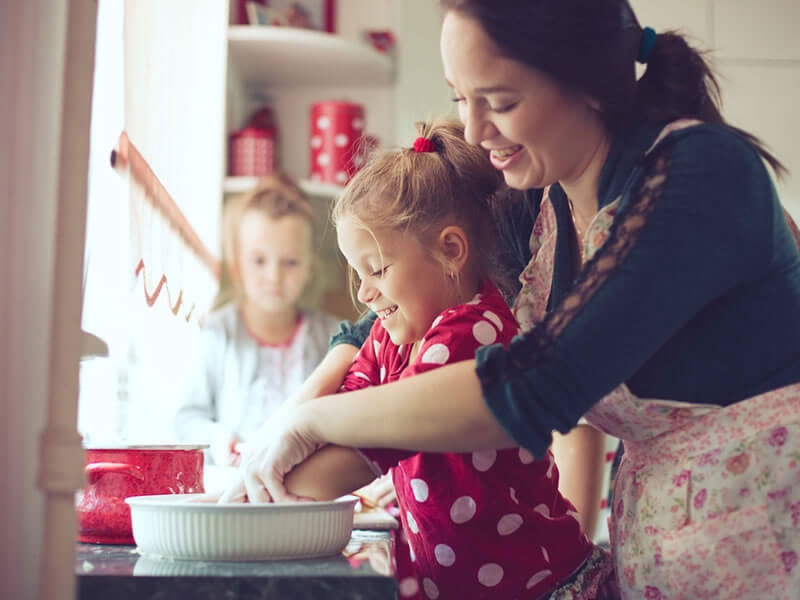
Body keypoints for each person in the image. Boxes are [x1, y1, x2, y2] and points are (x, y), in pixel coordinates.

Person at [230, 1, 800, 597]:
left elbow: (529, 388)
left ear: (589, 85)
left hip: (768, 547)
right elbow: (381, 317)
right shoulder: (538, 201)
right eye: (460, 98)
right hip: (665, 556)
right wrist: (285, 427)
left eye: (499, 102)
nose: (475, 131)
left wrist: (313, 419)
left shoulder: (701, 176)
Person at [227, 119, 617, 599]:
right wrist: (276, 449)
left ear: (451, 250)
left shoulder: (472, 333)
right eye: (358, 274)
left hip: (542, 588)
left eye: (378, 270)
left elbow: (368, 444)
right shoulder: (395, 333)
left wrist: (243, 502)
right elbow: (351, 394)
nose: (367, 294)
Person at [173, 172, 340, 467]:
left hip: (309, 488)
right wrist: (219, 440)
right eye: (259, 261)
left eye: (290, 262)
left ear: (309, 267)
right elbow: (187, 417)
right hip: (234, 486)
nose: (273, 276)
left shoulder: (335, 338)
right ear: (237, 264)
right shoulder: (217, 333)